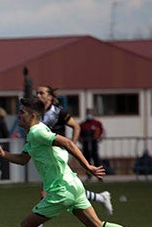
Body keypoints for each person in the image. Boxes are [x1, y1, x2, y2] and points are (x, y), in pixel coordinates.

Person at [0, 97, 152, 227]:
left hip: (61, 190)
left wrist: (87, 166)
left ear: (31, 116)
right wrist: (3, 154)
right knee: (96, 226)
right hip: (73, 185)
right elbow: (23, 159)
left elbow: (67, 143)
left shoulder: (38, 132)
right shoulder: (35, 133)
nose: (18, 116)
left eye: (21, 112)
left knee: (27, 226)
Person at [37, 85, 110, 214]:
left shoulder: (59, 112)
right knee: (62, 188)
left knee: (47, 191)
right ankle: (100, 197)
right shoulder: (37, 112)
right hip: (46, 154)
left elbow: (76, 126)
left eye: (41, 93)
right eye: (37, 93)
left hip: (58, 153)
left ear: (49, 96)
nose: (38, 95)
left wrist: (72, 144)